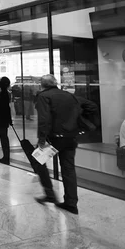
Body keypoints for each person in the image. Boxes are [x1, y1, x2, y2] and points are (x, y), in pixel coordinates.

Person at [34, 74, 96, 215]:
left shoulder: (44, 96)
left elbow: (44, 120)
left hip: (54, 139)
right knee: (68, 169)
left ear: (42, 85)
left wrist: (41, 140)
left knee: (38, 160)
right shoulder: (69, 95)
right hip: (70, 137)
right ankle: (71, 203)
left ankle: (50, 194)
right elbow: (91, 106)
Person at [0, 77, 12, 164]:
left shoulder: (3, 94)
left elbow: (5, 108)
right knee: (4, 137)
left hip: (1, 119)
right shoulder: (5, 94)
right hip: (4, 119)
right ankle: (6, 156)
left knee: (4, 138)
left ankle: (6, 157)